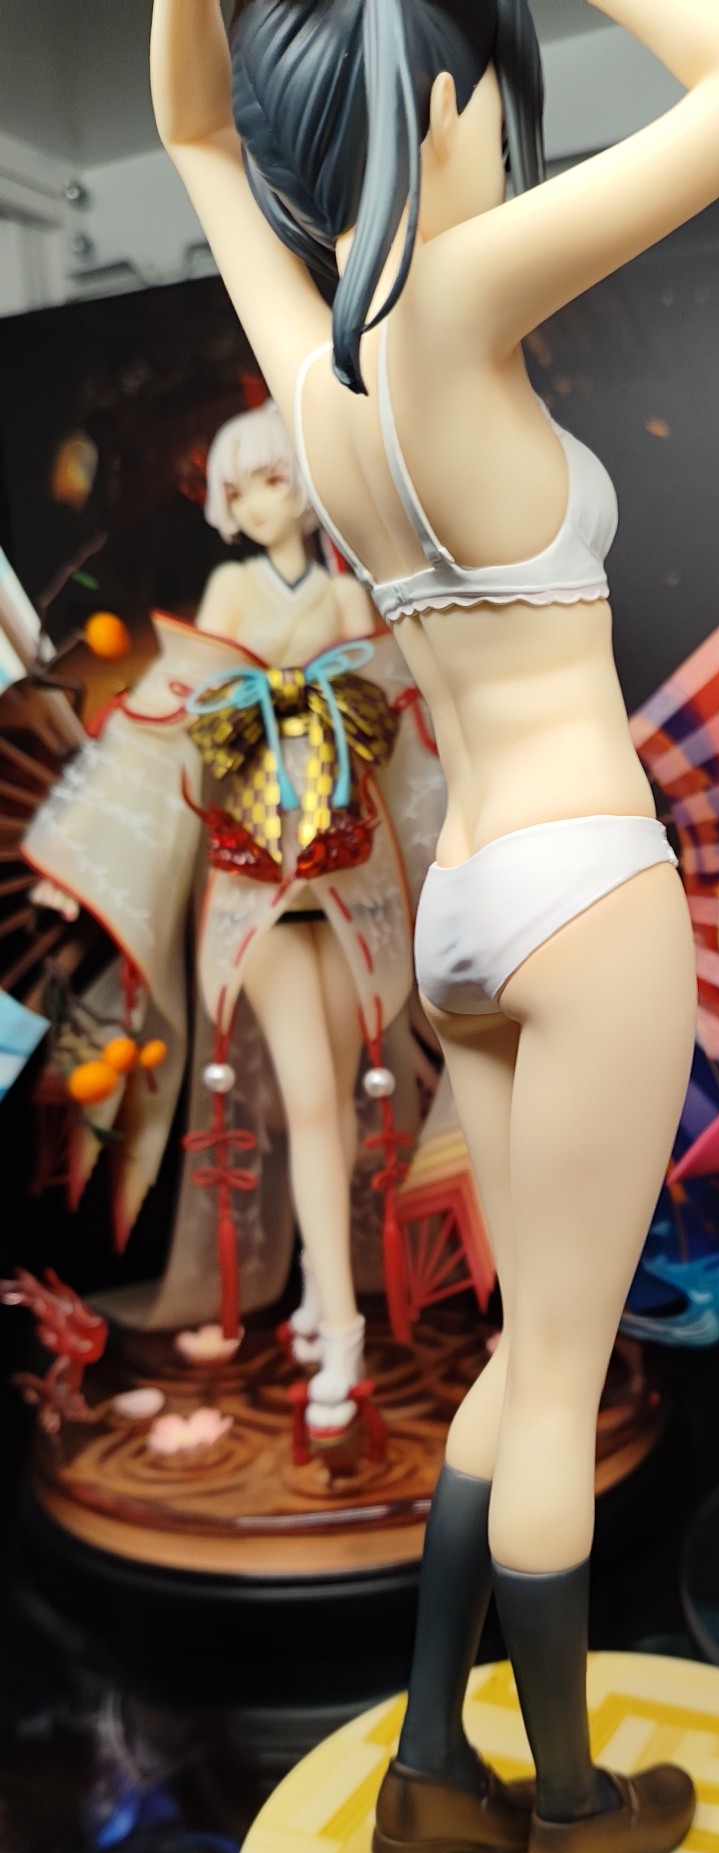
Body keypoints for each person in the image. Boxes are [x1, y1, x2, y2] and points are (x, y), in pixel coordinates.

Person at [148, 0, 719, 1853]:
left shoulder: (317, 377)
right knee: (562, 1370)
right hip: (584, 891)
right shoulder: (457, 296)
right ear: (438, 98)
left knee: (522, 1355)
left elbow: (192, 136)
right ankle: (574, 1806)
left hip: (460, 908)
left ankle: (434, 1769)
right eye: (492, 101)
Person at [24, 401, 442, 1449]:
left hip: (346, 876)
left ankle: (318, 1288)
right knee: (312, 1101)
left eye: (274, 480)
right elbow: (161, 733)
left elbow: (404, 733)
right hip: (256, 885)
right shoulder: (229, 591)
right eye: (239, 487)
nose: (258, 503)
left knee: (340, 1095)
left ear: (305, 486)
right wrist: (88, 853)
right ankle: (341, 1333)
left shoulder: (346, 593)